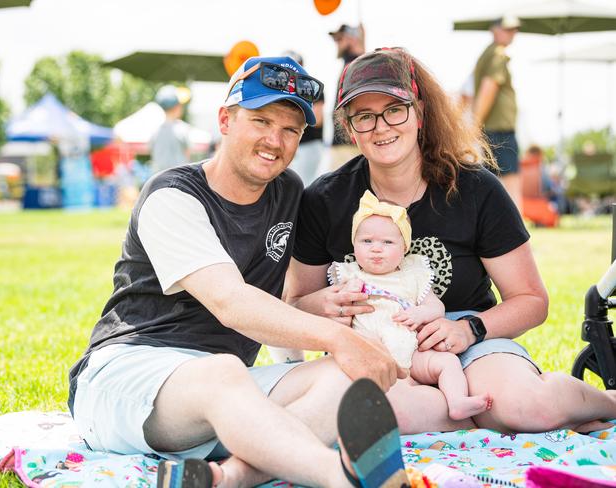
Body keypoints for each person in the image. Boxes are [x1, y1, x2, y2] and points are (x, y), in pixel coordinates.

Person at [68, 55, 408, 488]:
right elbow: (231, 302)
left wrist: (334, 315)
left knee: (348, 376)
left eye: (290, 129)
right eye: (262, 121)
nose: (275, 140)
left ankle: (228, 478)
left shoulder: (288, 192)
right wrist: (340, 337)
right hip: (127, 378)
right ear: (225, 120)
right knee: (226, 372)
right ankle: (343, 479)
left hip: (229, 392)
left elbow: (283, 299)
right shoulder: (171, 195)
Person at [285, 46, 616, 435]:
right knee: (378, 416)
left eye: (395, 109)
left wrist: (468, 330)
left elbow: (532, 301)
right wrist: (327, 303)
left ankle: (607, 402)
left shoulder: (474, 188)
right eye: (364, 116)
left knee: (530, 407)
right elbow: (295, 303)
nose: (381, 126)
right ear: (349, 128)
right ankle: (477, 413)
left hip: (469, 336)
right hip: (375, 345)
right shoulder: (325, 199)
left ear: (420, 113)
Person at [330, 190, 492, 421]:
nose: (376, 248)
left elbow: (437, 308)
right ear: (354, 244)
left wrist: (420, 313)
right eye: (366, 241)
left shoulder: (413, 275)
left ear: (404, 247)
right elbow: (336, 310)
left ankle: (457, 401)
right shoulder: (348, 275)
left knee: (447, 362)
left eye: (387, 242)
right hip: (370, 352)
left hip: (412, 349)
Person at [473, 15, 522, 213]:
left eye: (514, 30)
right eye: (507, 29)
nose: (512, 34)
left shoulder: (489, 53)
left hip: (491, 130)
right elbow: (488, 88)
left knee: (491, 184)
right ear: (494, 29)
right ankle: (519, 234)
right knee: (510, 183)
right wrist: (474, 125)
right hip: (499, 131)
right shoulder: (497, 54)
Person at [282, 50, 326, 187]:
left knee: (303, 186)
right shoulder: (284, 89)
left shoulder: (311, 86)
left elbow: (317, 119)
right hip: (295, 145)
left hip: (309, 145)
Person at [328, 23, 365, 171]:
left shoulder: (357, 65)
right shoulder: (351, 62)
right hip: (344, 143)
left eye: (340, 39)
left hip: (348, 144)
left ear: (352, 39)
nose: (337, 43)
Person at [149, 84, 193, 174]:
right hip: (179, 179)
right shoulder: (183, 129)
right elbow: (188, 155)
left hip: (158, 179)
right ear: (177, 107)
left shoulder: (155, 131)